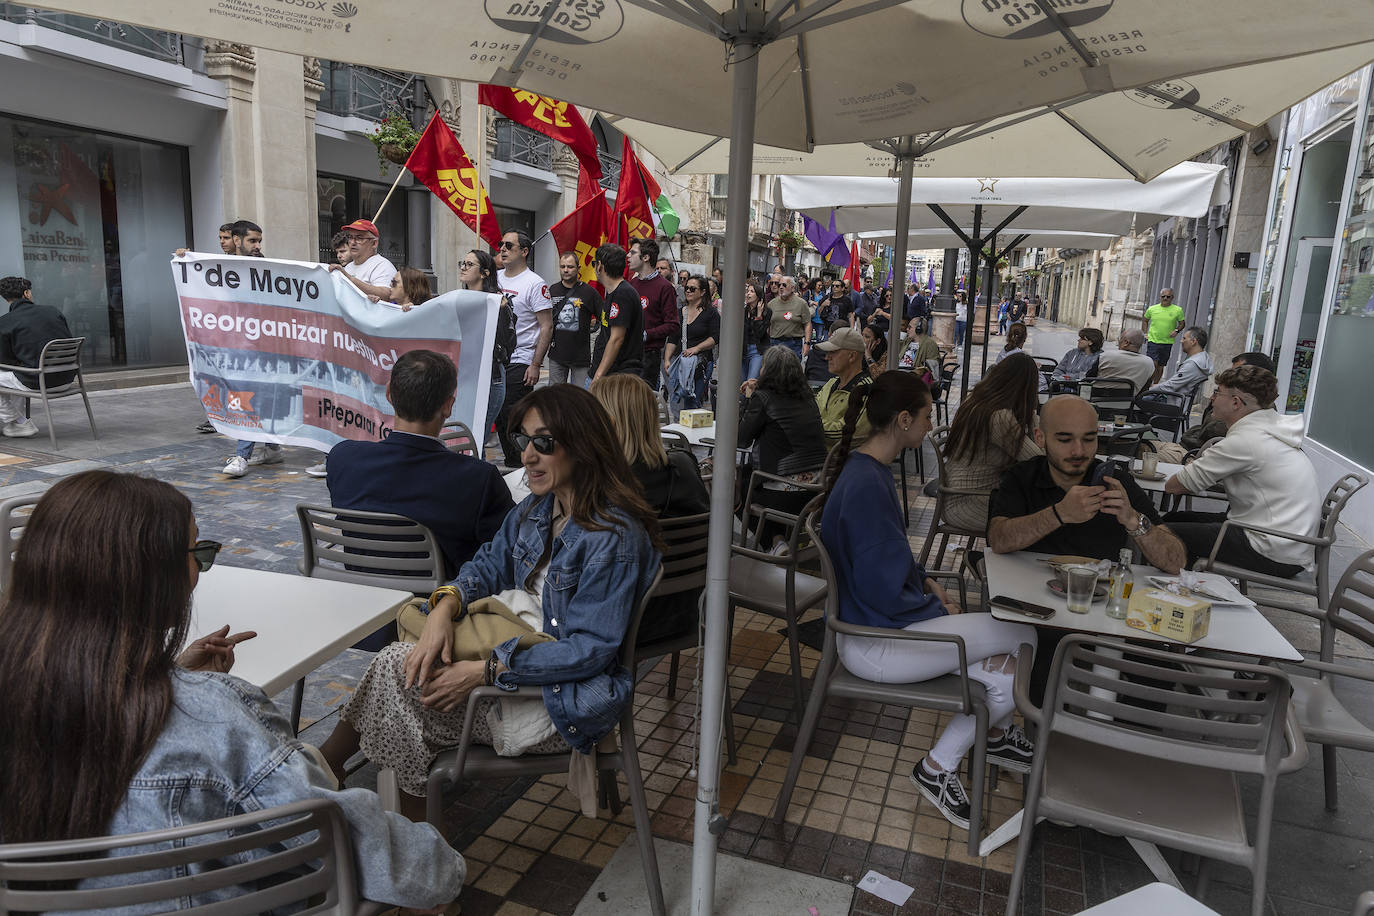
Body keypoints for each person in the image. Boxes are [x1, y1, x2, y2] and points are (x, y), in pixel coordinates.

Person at [0, 471, 464, 908]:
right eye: (198, 555)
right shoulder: (216, 720)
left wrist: (179, 674)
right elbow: (388, 860)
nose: (202, 571)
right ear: (156, 581)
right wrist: (447, 869)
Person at [319, 385, 661, 817]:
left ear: (584, 445)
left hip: (560, 701)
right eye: (523, 440)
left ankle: (367, 799)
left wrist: (486, 670)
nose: (528, 456)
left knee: (398, 682)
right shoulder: (539, 508)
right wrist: (446, 605)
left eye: (544, 443)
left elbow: (589, 653)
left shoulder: (612, 538)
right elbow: (486, 565)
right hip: (518, 673)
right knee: (402, 676)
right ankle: (408, 838)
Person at [819, 372, 1037, 830]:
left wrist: (924, 583)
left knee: (1003, 680)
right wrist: (938, 608)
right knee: (1023, 632)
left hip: (878, 632)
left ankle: (941, 765)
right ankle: (989, 739)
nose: (929, 422)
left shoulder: (865, 470)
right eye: (923, 415)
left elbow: (882, 560)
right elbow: (881, 584)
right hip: (876, 642)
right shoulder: (867, 485)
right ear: (903, 420)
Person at [327, 349, 514, 579]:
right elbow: (511, 549)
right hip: (439, 603)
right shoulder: (478, 479)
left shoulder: (342, 459)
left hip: (365, 594)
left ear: (389, 395)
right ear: (448, 406)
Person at [1162, 365, 1320, 577]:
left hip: (1271, 549)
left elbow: (1174, 486)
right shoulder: (1272, 429)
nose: (1211, 398)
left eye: (1217, 392)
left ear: (1236, 402)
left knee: (1160, 533)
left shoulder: (1245, 441)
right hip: (1289, 544)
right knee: (1175, 519)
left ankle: (1175, 593)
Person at [591, 374, 709, 646]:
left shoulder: (608, 486)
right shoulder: (685, 465)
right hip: (690, 610)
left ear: (609, 422)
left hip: (625, 623)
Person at [942, 353, 1043, 532]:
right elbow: (1037, 462)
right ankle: (987, 560)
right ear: (1027, 387)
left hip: (963, 496)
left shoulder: (976, 401)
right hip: (968, 503)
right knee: (1042, 521)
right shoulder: (999, 417)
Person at [496, 230, 554, 468]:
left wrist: (535, 364)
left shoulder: (535, 283)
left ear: (524, 251)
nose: (502, 249)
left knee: (511, 414)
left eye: (509, 246)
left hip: (520, 359)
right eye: (501, 245)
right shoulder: (495, 278)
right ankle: (515, 462)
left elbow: (547, 326)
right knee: (499, 414)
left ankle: (520, 463)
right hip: (495, 358)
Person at [739, 345, 828, 481]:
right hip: (815, 483)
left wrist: (748, 398)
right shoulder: (807, 396)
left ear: (767, 371)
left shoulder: (763, 398)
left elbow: (741, 440)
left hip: (779, 483)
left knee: (727, 478)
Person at [0, 276, 71, 438]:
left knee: (11, 374)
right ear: (27, 294)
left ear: (5, 298)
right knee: (13, 377)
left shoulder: (5, 322)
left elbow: (4, 361)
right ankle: (15, 424)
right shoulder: (53, 311)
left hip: (38, 382)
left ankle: (19, 421)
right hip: (66, 379)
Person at [460, 249, 514, 444]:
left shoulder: (498, 303)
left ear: (485, 273)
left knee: (476, 439)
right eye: (462, 263)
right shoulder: (458, 299)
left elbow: (508, 344)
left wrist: (496, 312)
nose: (463, 268)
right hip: (464, 377)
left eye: (469, 264)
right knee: (464, 437)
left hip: (490, 378)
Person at [1178, 351, 1277, 452]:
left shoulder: (1250, 414)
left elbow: (1209, 432)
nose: (1230, 377)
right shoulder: (1246, 403)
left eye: (1237, 373)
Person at [628, 238, 679, 392]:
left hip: (648, 355)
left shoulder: (665, 287)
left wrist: (646, 335)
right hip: (628, 353)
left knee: (642, 403)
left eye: (632, 252)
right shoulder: (631, 285)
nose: (628, 256)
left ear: (646, 257)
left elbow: (673, 324)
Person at [547, 251, 601, 389]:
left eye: (570, 267)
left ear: (578, 268)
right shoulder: (552, 290)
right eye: (562, 266)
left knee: (580, 398)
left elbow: (604, 319)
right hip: (557, 355)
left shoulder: (589, 292)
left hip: (580, 357)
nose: (565, 270)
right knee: (555, 397)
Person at [591, 243, 645, 380]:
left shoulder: (622, 294)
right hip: (608, 373)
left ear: (600, 266)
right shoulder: (613, 292)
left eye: (594, 263)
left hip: (616, 376)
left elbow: (616, 339)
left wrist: (599, 375)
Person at [814, 326, 872, 449]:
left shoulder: (866, 390)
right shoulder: (832, 383)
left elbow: (845, 431)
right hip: (818, 455)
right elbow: (812, 408)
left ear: (852, 356)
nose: (827, 357)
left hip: (840, 463)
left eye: (833, 352)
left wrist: (807, 425)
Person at [670, 273, 719, 409]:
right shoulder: (679, 312)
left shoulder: (711, 313)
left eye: (693, 289)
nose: (688, 291)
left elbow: (715, 337)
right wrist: (668, 359)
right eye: (687, 288)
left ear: (703, 292)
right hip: (680, 362)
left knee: (693, 403)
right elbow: (673, 337)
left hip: (700, 363)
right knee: (677, 402)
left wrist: (696, 348)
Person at [330, 218, 396, 301]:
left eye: (359, 238)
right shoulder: (348, 267)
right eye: (350, 237)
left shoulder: (383, 265)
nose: (353, 242)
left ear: (374, 243)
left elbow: (387, 295)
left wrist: (350, 279)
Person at [1145, 325, 1212, 399]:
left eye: (1184, 338)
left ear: (1193, 342)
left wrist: (1148, 388)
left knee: (1137, 399)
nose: (1181, 341)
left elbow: (1170, 386)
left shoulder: (1193, 364)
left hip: (1171, 402)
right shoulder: (1201, 359)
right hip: (1175, 399)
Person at [1142, 288, 1186, 385]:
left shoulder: (1178, 310)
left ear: (1172, 298)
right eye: (1163, 296)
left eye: (1168, 297)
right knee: (1153, 364)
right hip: (1153, 341)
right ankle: (1148, 384)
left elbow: (1182, 323)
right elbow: (1145, 320)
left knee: (1161, 366)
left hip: (1167, 342)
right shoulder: (1152, 309)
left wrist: (1176, 330)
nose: (1165, 298)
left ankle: (1155, 385)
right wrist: (1145, 333)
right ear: (1160, 297)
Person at [1096, 327, 1156, 394]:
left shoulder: (1105, 355)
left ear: (1126, 343)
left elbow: (1089, 376)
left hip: (1095, 398)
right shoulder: (1149, 363)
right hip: (1128, 401)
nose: (1118, 342)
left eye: (1120, 339)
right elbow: (1145, 388)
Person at [767, 276, 810, 359]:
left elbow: (807, 324)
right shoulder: (771, 304)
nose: (781, 287)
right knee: (775, 370)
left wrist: (807, 343)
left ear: (793, 288)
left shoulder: (801, 303)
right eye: (779, 285)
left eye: (784, 285)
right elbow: (768, 325)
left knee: (792, 371)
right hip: (775, 344)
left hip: (794, 344)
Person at [742, 280, 770, 382]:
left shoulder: (767, 312)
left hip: (757, 350)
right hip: (743, 350)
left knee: (751, 382)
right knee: (742, 383)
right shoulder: (743, 311)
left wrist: (758, 316)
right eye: (747, 291)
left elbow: (760, 333)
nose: (748, 293)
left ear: (758, 295)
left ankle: (750, 398)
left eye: (751, 291)